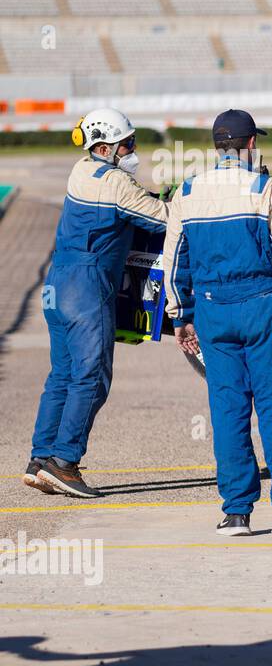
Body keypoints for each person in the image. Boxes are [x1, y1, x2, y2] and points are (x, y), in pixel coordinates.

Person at [161, 110, 272, 536]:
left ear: (219, 146)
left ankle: (236, 512)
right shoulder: (264, 187)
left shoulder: (187, 191)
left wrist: (180, 315)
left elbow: (174, 260)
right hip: (263, 309)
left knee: (228, 411)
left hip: (214, 313)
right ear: (251, 144)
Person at [25, 108, 168, 498]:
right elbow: (164, 218)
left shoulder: (80, 171)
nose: (133, 149)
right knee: (91, 379)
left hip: (57, 283)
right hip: (87, 288)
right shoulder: (118, 184)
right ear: (104, 147)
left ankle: (40, 459)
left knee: (62, 377)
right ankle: (65, 464)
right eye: (127, 143)